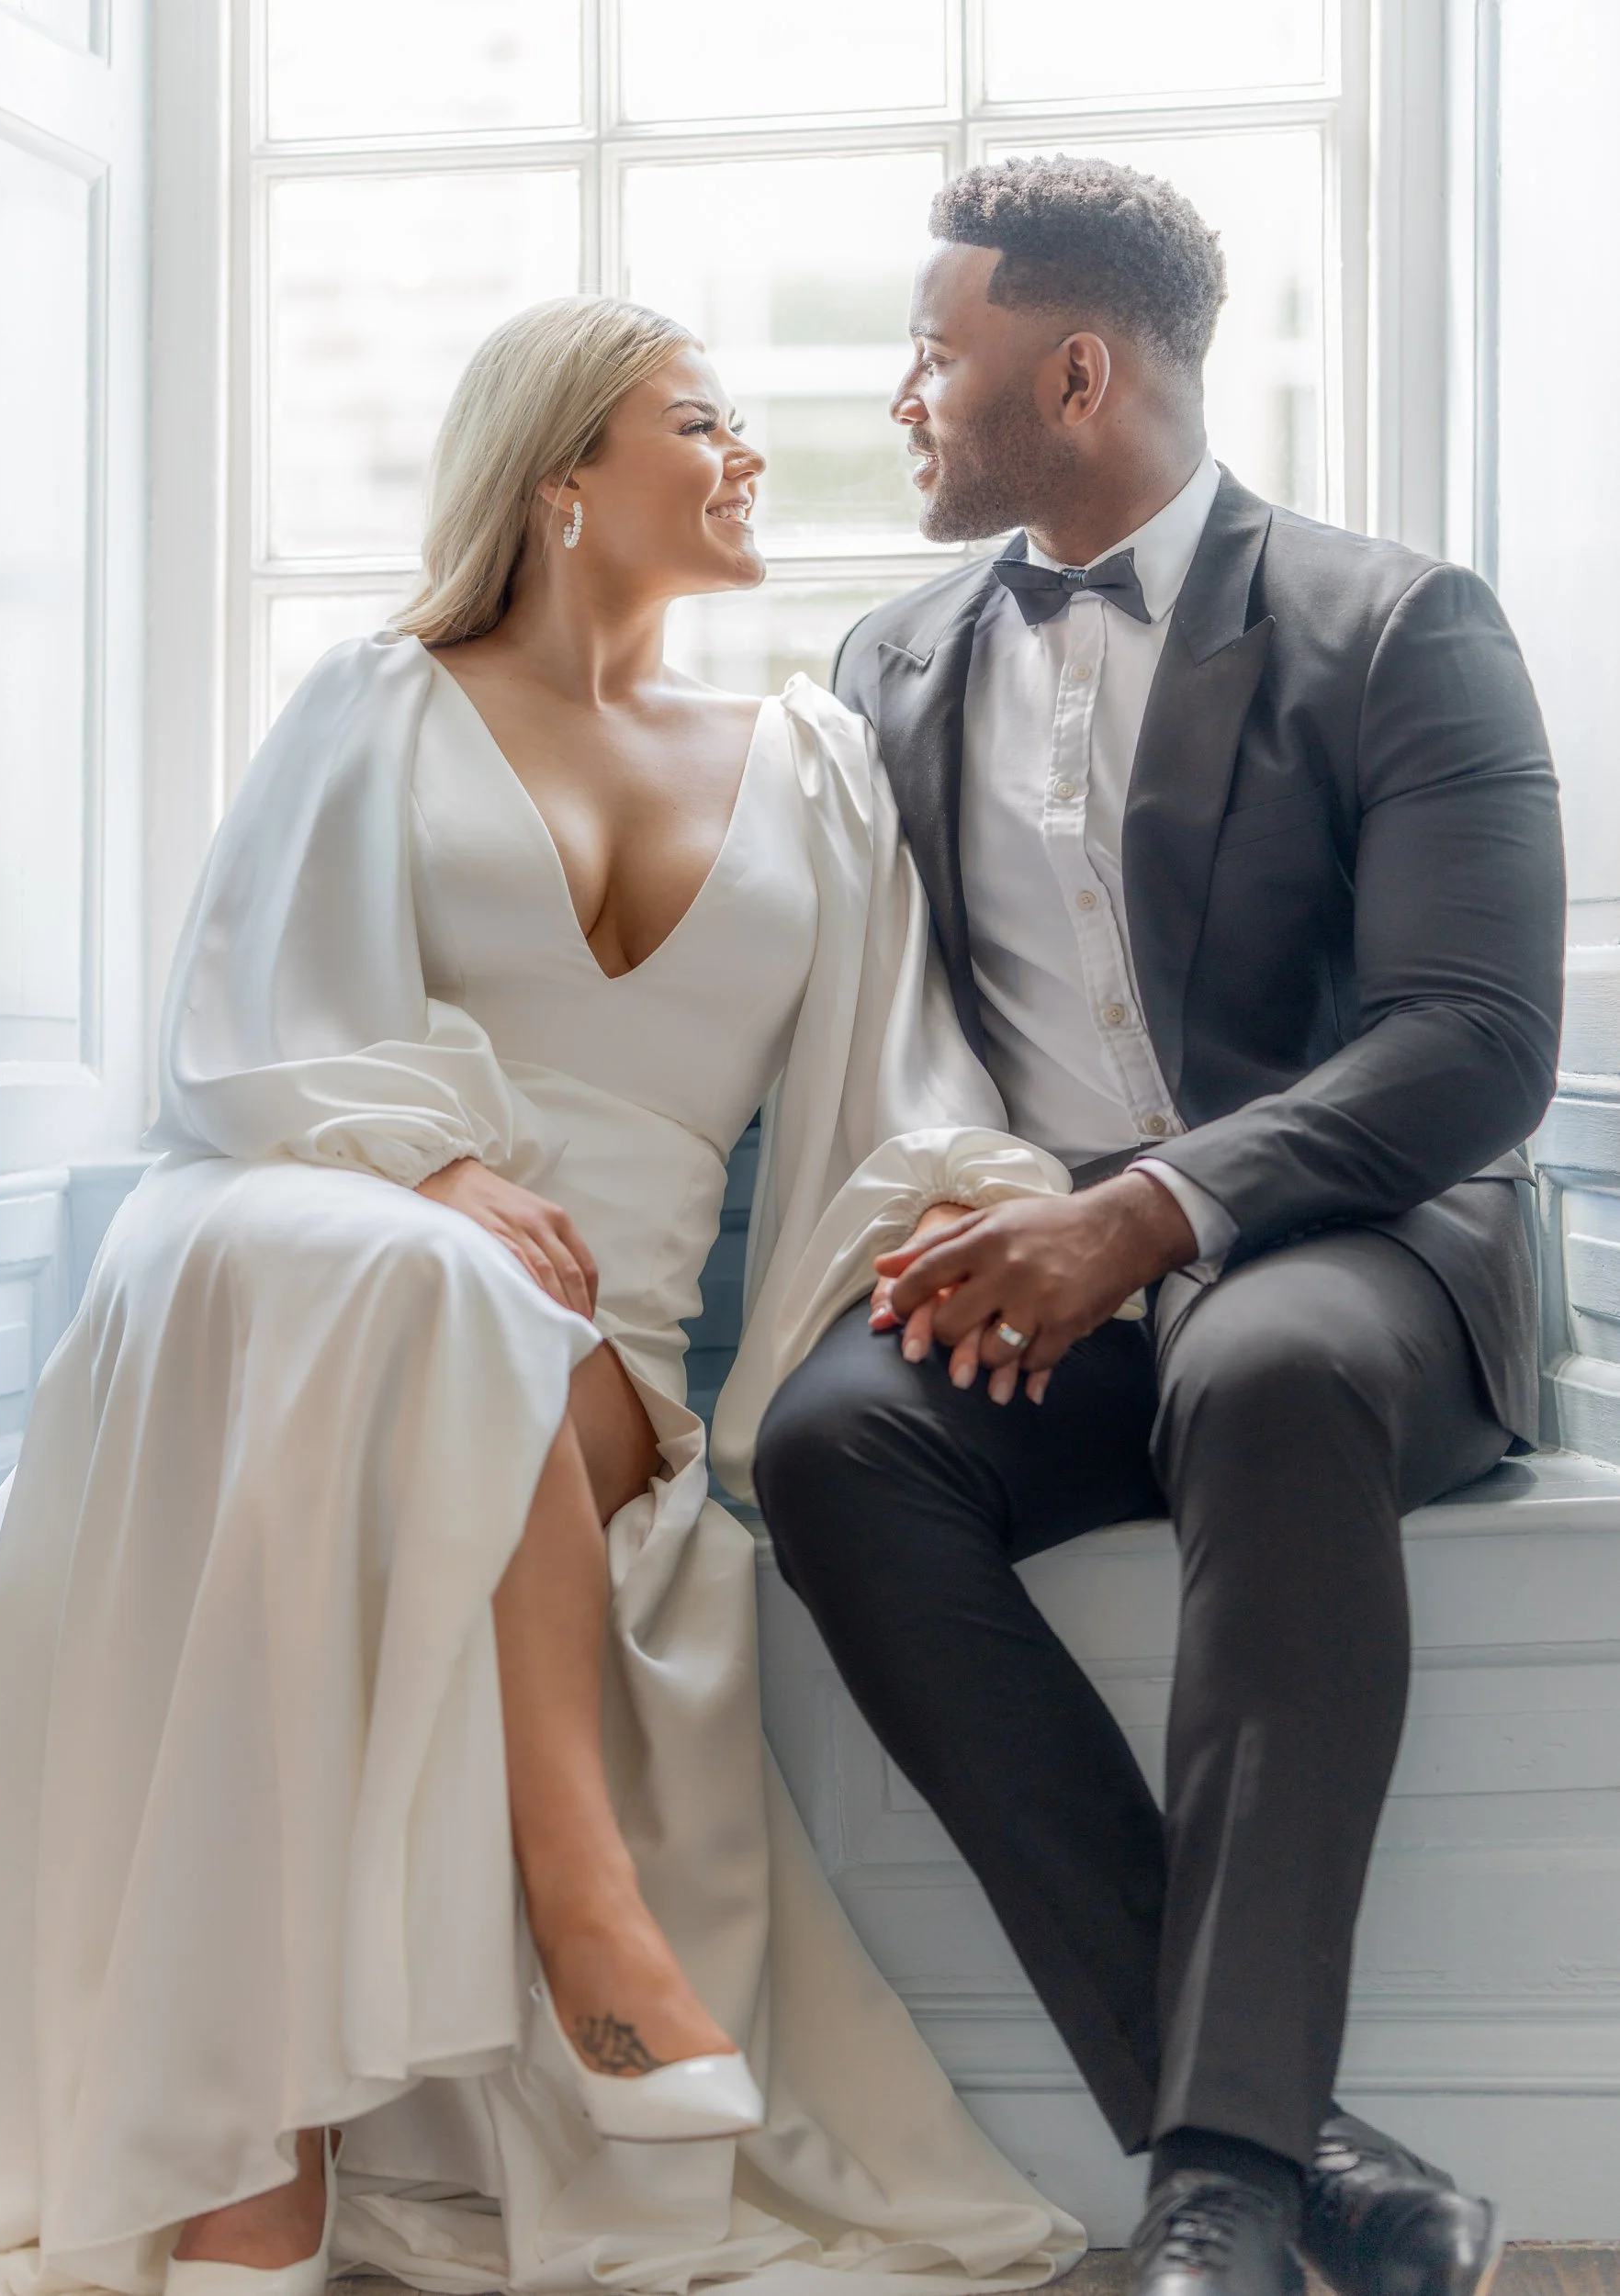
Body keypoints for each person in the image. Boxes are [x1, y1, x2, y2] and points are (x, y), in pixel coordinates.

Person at [0, 297, 1090, 2296]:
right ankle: (572, 1912)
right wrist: (425, 1165)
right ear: (560, 483)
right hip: (291, 1234)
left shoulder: (809, 760)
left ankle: (270, 2138)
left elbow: (900, 1088)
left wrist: (1005, 1226)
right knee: (429, 1289)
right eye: (696, 421)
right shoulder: (376, 701)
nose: (743, 455)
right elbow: (241, 1030)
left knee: (481, 1337)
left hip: (587, 1335)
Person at [748, 156, 1565, 2296]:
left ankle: (1212, 2186)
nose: (904, 394)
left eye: (937, 351)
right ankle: (1328, 2166)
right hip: (1061, 1266)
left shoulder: (1398, 622)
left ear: (1079, 369)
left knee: (1265, 1362)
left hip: (1363, 1246)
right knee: (838, 1438)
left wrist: (1160, 1209)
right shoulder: (891, 656)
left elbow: (1473, 1040)